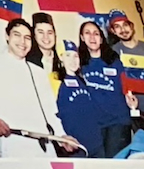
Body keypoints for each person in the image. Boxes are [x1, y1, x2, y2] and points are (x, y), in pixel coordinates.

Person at [57, 18, 134, 159]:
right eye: (87, 33)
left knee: (114, 162)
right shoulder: (78, 63)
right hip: (94, 126)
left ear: (101, 38)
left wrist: (131, 99)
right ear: (82, 37)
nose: (92, 37)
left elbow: (126, 85)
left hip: (117, 121)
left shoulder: (114, 60)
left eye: (96, 33)